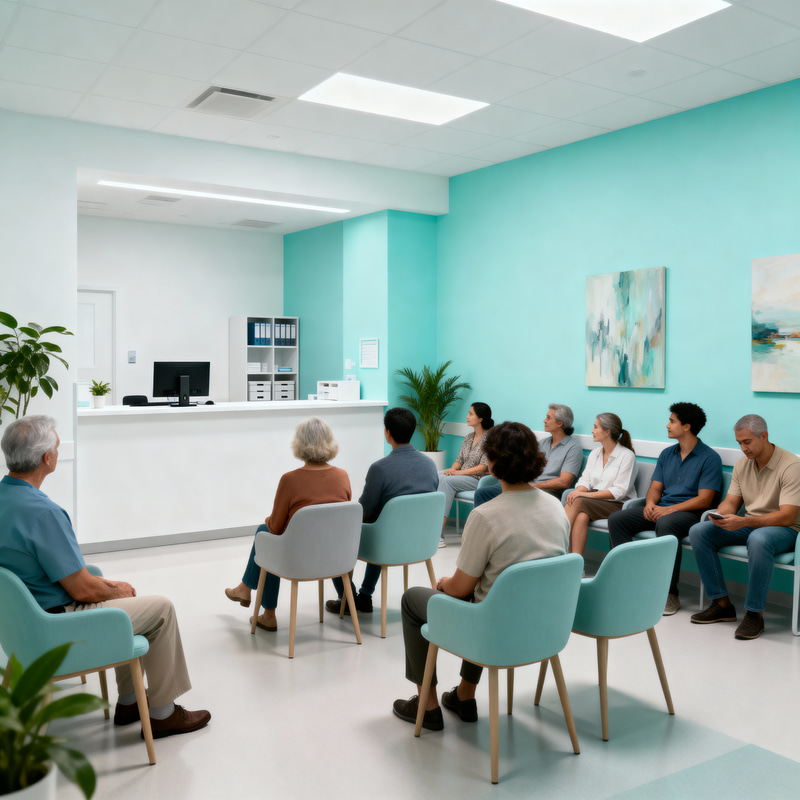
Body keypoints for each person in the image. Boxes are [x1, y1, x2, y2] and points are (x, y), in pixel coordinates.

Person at [0, 416, 210, 739]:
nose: (58, 446)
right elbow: (82, 589)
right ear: (47, 458)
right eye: (56, 442)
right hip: (59, 624)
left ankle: (128, 702)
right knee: (161, 610)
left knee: (121, 601)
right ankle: (163, 714)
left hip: (25, 626)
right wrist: (117, 588)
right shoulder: (44, 513)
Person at [392, 421, 569, 730]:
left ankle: (427, 704)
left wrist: (446, 583)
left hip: (491, 632)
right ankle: (464, 695)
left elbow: (460, 590)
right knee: (488, 594)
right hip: (547, 628)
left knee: (412, 600)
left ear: (494, 463)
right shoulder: (556, 507)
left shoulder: (486, 516)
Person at [225, 417, 351, 631]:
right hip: (336, 557)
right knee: (270, 536)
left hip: (298, 560)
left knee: (265, 533)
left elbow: (274, 527)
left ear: (299, 443)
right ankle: (245, 590)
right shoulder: (342, 476)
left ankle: (266, 611)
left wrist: (271, 524)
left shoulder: (290, 480)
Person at [689, 414, 800, 640]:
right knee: (699, 532)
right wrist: (718, 514)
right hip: (750, 524)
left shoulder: (792, 466)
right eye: (739, 443)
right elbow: (731, 503)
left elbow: (787, 516)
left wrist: (744, 521)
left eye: (747, 442)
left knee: (758, 539)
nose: (742, 448)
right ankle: (722, 605)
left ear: (764, 436)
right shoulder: (743, 464)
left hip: (784, 530)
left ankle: (754, 614)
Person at [608, 403, 722, 616]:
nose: (667, 425)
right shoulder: (667, 454)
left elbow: (705, 500)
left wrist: (669, 511)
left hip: (691, 514)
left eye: (672, 421)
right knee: (617, 519)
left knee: (666, 523)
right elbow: (655, 488)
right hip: (662, 510)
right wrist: (651, 504)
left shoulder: (710, 458)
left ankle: (670, 593)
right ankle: (626, 582)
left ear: (686, 426)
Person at [325, 407, 439, 615]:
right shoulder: (430, 465)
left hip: (387, 543)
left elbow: (365, 511)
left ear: (387, 433)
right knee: (384, 524)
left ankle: (348, 598)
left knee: (338, 534)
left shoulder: (380, 468)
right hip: (422, 542)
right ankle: (365, 596)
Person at [472, 403, 582, 508]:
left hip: (547, 492)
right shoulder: (542, 443)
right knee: (483, 492)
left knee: (490, 494)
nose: (544, 420)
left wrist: (533, 486)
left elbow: (564, 482)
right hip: (526, 487)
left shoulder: (573, 448)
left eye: (548, 418)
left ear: (560, 423)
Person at [566, 412, 636, 557]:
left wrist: (582, 494)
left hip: (618, 504)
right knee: (581, 516)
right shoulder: (595, 453)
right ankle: (577, 566)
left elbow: (619, 491)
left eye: (595, 427)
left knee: (576, 500)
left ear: (607, 431)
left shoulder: (627, 455)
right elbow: (585, 480)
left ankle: (558, 553)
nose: (592, 430)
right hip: (594, 501)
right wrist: (580, 490)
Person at [437, 402, 493, 547]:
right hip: (462, 475)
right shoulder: (468, 437)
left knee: (447, 481)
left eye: (471, 414)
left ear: (481, 418)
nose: (467, 416)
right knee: (437, 475)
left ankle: (438, 535)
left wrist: (456, 473)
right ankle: (429, 526)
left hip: (478, 479)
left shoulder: (491, 438)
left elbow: (482, 467)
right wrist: (451, 470)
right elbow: (459, 460)